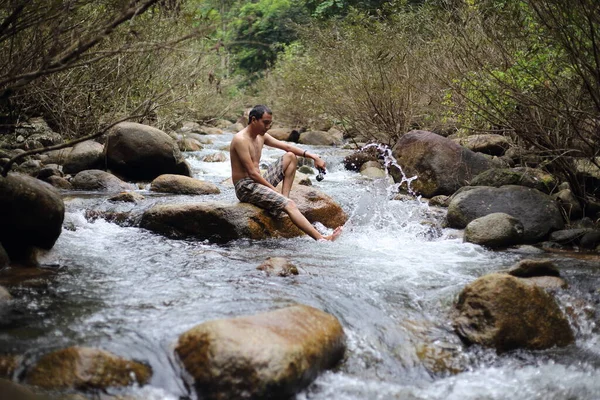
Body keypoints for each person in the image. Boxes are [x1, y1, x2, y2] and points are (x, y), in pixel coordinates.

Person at [230, 105, 342, 241]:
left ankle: (283, 200)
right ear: (253, 120)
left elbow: (287, 147)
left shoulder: (261, 136)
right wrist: (273, 190)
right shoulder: (240, 139)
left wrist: (314, 156)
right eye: (265, 123)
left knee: (290, 156)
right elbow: (253, 174)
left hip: (257, 183)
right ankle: (322, 238)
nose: (268, 127)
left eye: (270, 123)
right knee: (290, 204)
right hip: (245, 186)